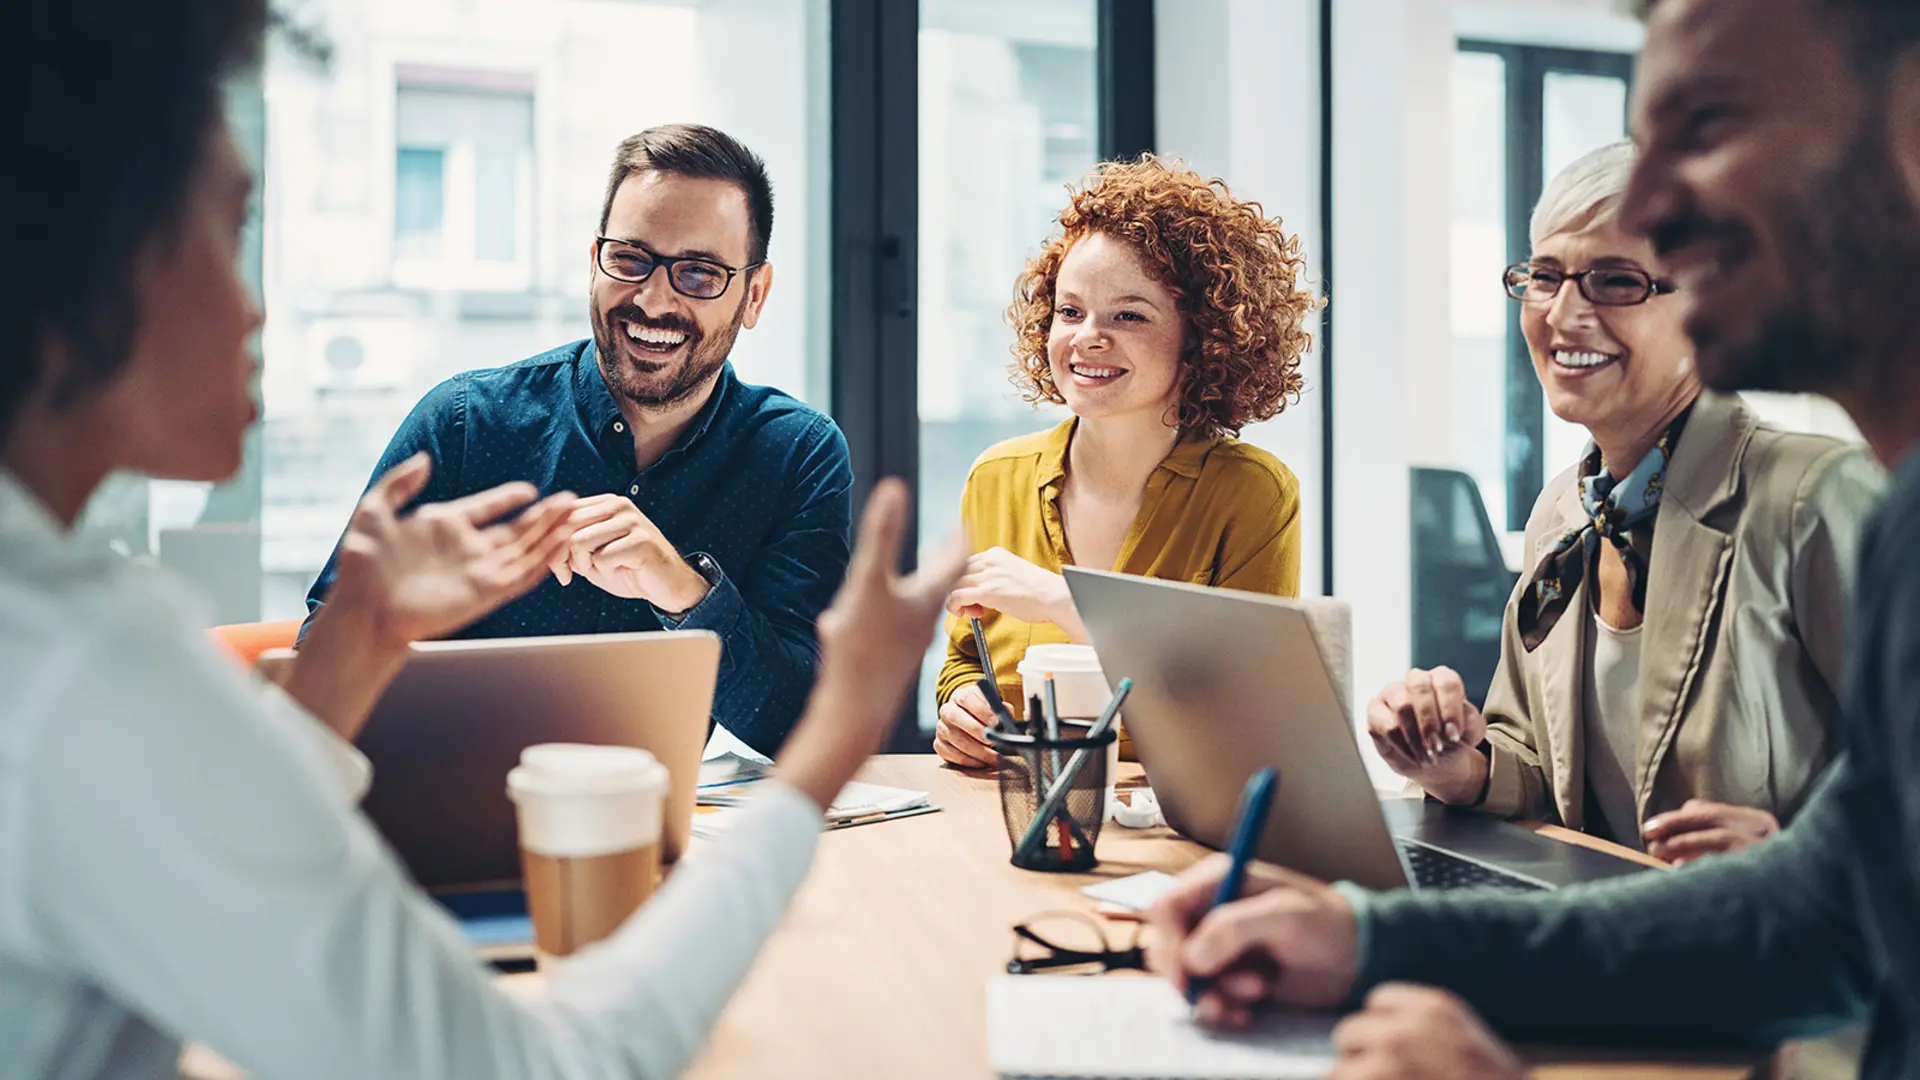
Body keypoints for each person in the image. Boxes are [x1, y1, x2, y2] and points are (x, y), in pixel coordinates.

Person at [0, 3, 963, 1078]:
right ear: (99, 261)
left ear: (753, 294)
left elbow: (193, 892)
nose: (257, 308)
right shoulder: (90, 662)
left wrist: (368, 641)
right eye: (231, 236)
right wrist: (841, 733)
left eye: (697, 273)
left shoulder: (58, 634)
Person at [1145, 0, 1920, 1076]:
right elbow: (1811, 916)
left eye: (1708, 126)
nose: (1654, 204)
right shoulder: (1895, 525)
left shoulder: (1834, 502)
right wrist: (1363, 940)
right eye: (1546, 271)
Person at [1366, 140, 1878, 862]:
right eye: (1545, 276)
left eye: (1616, 281)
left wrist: (1798, 857)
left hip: (1778, 954)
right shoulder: (1564, 513)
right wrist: (1456, 766)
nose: (1563, 315)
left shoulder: (1814, 497)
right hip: (1612, 942)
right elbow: (1544, 770)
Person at [302, 122, 851, 759]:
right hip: (447, 820)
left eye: (699, 274)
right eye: (630, 259)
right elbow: (314, 660)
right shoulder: (463, 422)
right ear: (595, 262)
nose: (652, 299)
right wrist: (391, 623)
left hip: (657, 837)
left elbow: (801, 726)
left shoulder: (797, 455)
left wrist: (684, 591)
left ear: (753, 296)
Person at [934, 157, 1314, 767]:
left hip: (1173, 831)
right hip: (1008, 815)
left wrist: (1061, 602)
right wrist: (960, 708)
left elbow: (1249, 710)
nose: (1087, 336)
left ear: (1203, 336)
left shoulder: (1252, 492)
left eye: (1128, 315)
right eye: (1069, 310)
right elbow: (967, 662)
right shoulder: (995, 477)